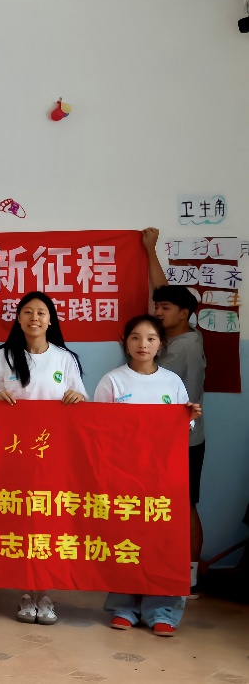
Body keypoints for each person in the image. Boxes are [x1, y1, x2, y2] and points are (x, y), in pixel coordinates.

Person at [95, 315, 202, 637]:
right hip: (124, 476)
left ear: (160, 344)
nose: (143, 344)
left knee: (162, 543)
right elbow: (98, 429)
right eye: (136, 337)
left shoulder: (172, 382)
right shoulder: (112, 381)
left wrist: (189, 416)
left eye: (151, 338)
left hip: (163, 477)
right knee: (125, 540)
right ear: (125, 342)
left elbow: (183, 428)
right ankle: (123, 607)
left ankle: (163, 611)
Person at [0, 290, 87, 624]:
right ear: (18, 319)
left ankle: (45, 594)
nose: (34, 318)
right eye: (27, 312)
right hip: (14, 452)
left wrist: (76, 397)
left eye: (41, 312)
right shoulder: (4, 355)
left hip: (53, 453)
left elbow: (81, 399)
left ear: (51, 320)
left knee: (48, 520)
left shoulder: (65, 358)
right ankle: (26, 593)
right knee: (20, 519)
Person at [144, 228, 208, 595]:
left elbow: (185, 400)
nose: (157, 312)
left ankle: (190, 574)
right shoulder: (180, 331)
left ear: (183, 314)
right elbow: (163, 291)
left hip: (182, 441)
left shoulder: (184, 347)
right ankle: (171, 569)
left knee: (185, 504)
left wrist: (134, 349)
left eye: (164, 309)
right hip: (165, 440)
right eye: (156, 307)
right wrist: (150, 250)